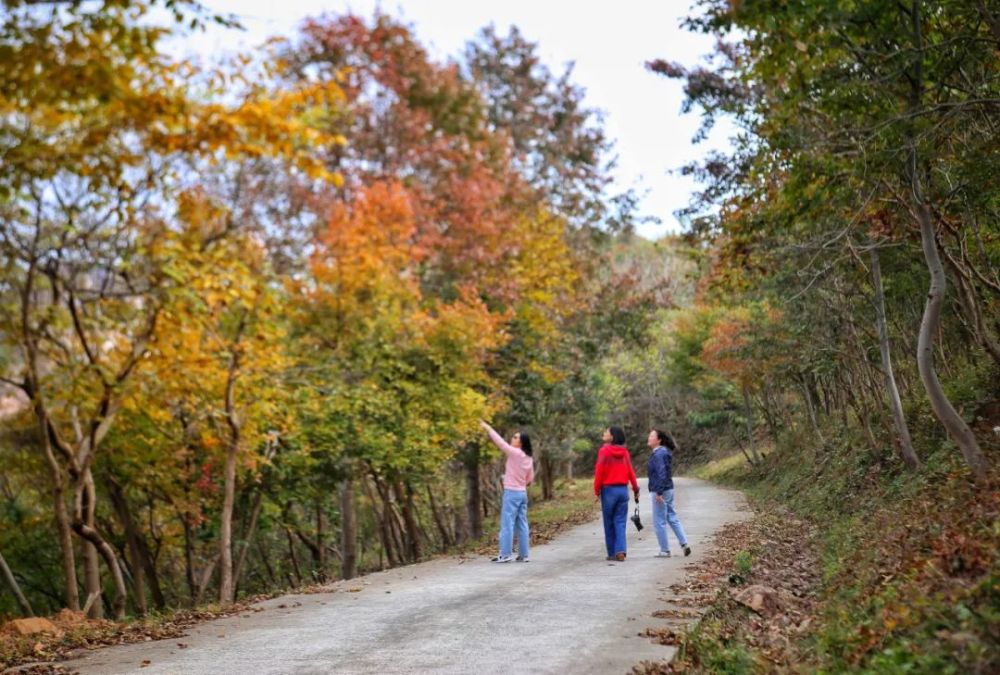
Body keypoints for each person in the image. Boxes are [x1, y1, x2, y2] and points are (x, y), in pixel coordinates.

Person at [480, 420, 535, 563]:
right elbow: (529, 478)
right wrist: (513, 479)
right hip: (522, 493)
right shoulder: (528, 458)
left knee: (507, 524)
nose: (513, 438)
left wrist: (488, 428)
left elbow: (500, 443)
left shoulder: (515, 453)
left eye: (516, 437)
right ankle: (524, 555)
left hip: (511, 493)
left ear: (521, 443)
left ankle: (505, 554)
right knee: (522, 523)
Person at [593, 426, 639, 562]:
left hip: (609, 491)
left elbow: (599, 471)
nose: (604, 433)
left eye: (607, 431)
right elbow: (630, 471)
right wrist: (636, 488)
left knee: (609, 523)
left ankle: (612, 552)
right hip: (622, 491)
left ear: (612, 436)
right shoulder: (624, 452)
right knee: (620, 522)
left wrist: (596, 490)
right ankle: (621, 550)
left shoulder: (604, 451)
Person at [646, 429, 691, 558]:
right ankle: (684, 543)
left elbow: (661, 473)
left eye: (652, 436)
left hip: (660, 490)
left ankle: (665, 550)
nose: (649, 438)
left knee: (659, 520)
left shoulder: (659, 454)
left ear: (658, 440)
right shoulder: (663, 452)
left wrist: (659, 492)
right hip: (668, 489)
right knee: (672, 516)